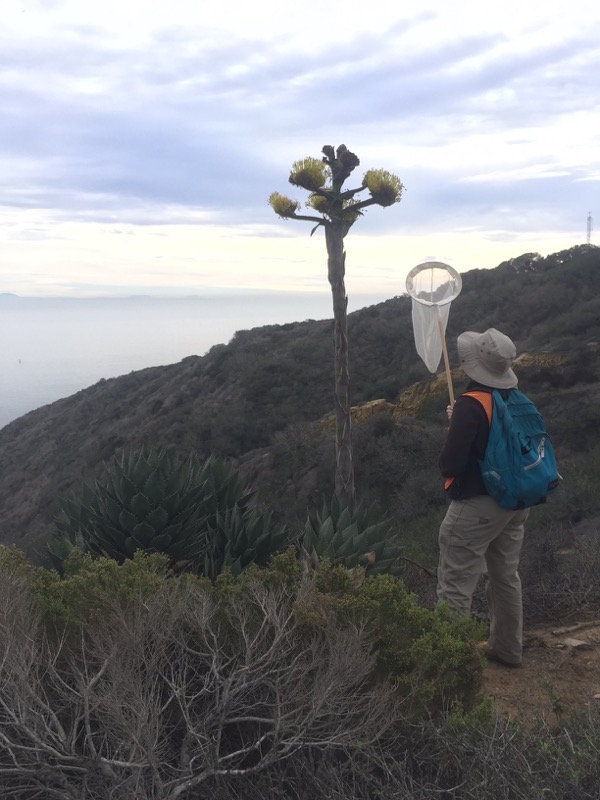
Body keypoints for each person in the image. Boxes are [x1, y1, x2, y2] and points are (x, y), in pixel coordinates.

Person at [437, 327, 528, 668]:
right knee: (506, 576)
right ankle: (507, 649)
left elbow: (451, 463)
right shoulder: (514, 398)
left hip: (478, 505)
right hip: (516, 502)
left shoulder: (470, 404)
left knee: (455, 584)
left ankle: (450, 667)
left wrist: (456, 427)